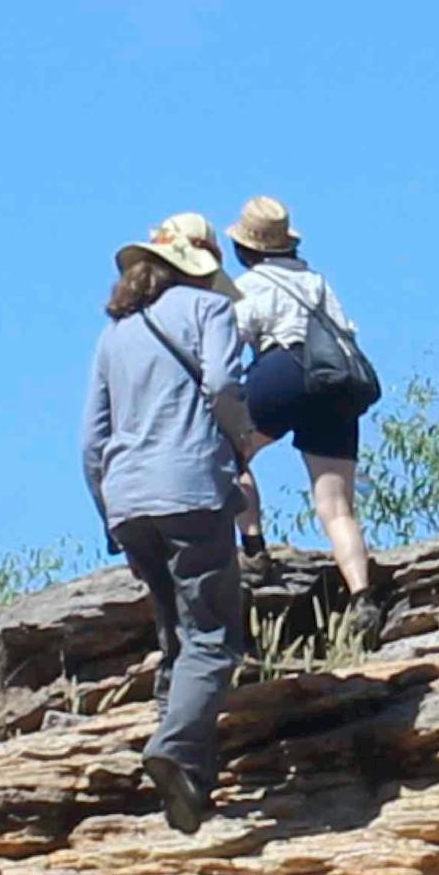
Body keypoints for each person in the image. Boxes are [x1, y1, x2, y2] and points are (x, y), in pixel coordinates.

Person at [82, 226, 267, 831]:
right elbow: (220, 384)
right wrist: (240, 438)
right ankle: (173, 748)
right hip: (188, 487)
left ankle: (187, 788)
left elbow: (92, 439)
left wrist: (108, 513)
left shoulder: (116, 335)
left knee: (175, 636)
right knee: (213, 638)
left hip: (127, 498)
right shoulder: (211, 308)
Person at [218, 196, 387, 621]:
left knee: (227, 450)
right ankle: (362, 596)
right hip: (334, 384)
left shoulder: (252, 286)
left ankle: (254, 551)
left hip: (284, 370)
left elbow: (231, 341)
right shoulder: (317, 282)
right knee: (336, 505)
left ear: (247, 249)